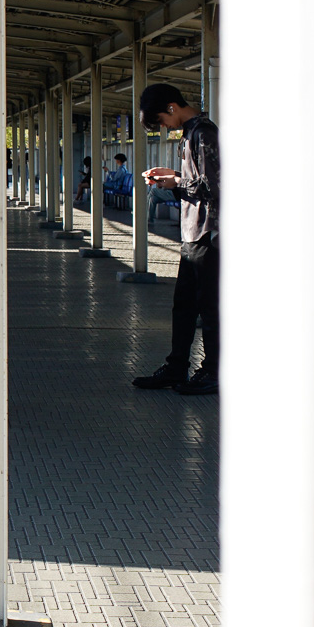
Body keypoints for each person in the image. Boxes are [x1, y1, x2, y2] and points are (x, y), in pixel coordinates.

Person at [131, 84, 219, 395]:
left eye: (161, 120)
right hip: (193, 232)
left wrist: (176, 182)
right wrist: (173, 176)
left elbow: (214, 186)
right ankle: (177, 365)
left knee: (209, 306)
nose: (164, 127)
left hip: (209, 232)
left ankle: (213, 371)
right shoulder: (191, 133)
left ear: (171, 107)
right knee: (184, 305)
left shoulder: (203, 133)